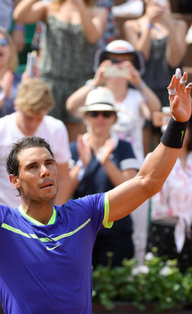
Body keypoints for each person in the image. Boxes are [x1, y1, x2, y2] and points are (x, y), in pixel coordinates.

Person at [0, 67, 192, 313]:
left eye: (49, 163)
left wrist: (177, 123)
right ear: (14, 180)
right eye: (32, 167)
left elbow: (147, 182)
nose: (45, 171)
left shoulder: (86, 213)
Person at [69, 87, 141, 268]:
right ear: (86, 117)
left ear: (114, 118)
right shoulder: (73, 149)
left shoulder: (124, 147)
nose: (100, 119)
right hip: (79, 233)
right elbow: (61, 192)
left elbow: (131, 190)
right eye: (94, 113)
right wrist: (81, 165)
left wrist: (107, 163)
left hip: (116, 233)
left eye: (106, 114)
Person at [13, 0, 108, 132]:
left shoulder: (97, 12)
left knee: (76, 137)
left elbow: (93, 37)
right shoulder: (49, 7)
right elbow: (19, 15)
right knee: (46, 133)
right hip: (50, 82)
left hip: (79, 84)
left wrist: (80, 5)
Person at [0, 78, 71, 208]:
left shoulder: (56, 129)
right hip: (1, 215)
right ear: (16, 105)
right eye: (28, 117)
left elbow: (63, 178)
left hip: (43, 220)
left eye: (39, 118)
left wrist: (56, 214)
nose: (33, 124)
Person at [146, 115, 192, 273]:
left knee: (191, 281)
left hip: (190, 227)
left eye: (184, 127)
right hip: (162, 227)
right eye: (173, 127)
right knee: (158, 281)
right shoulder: (152, 158)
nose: (179, 132)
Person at [123, 0, 188, 108]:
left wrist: (170, 25)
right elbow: (141, 59)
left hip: (171, 88)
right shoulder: (132, 25)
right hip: (144, 88)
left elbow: (174, 61)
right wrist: (149, 23)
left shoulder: (179, 25)